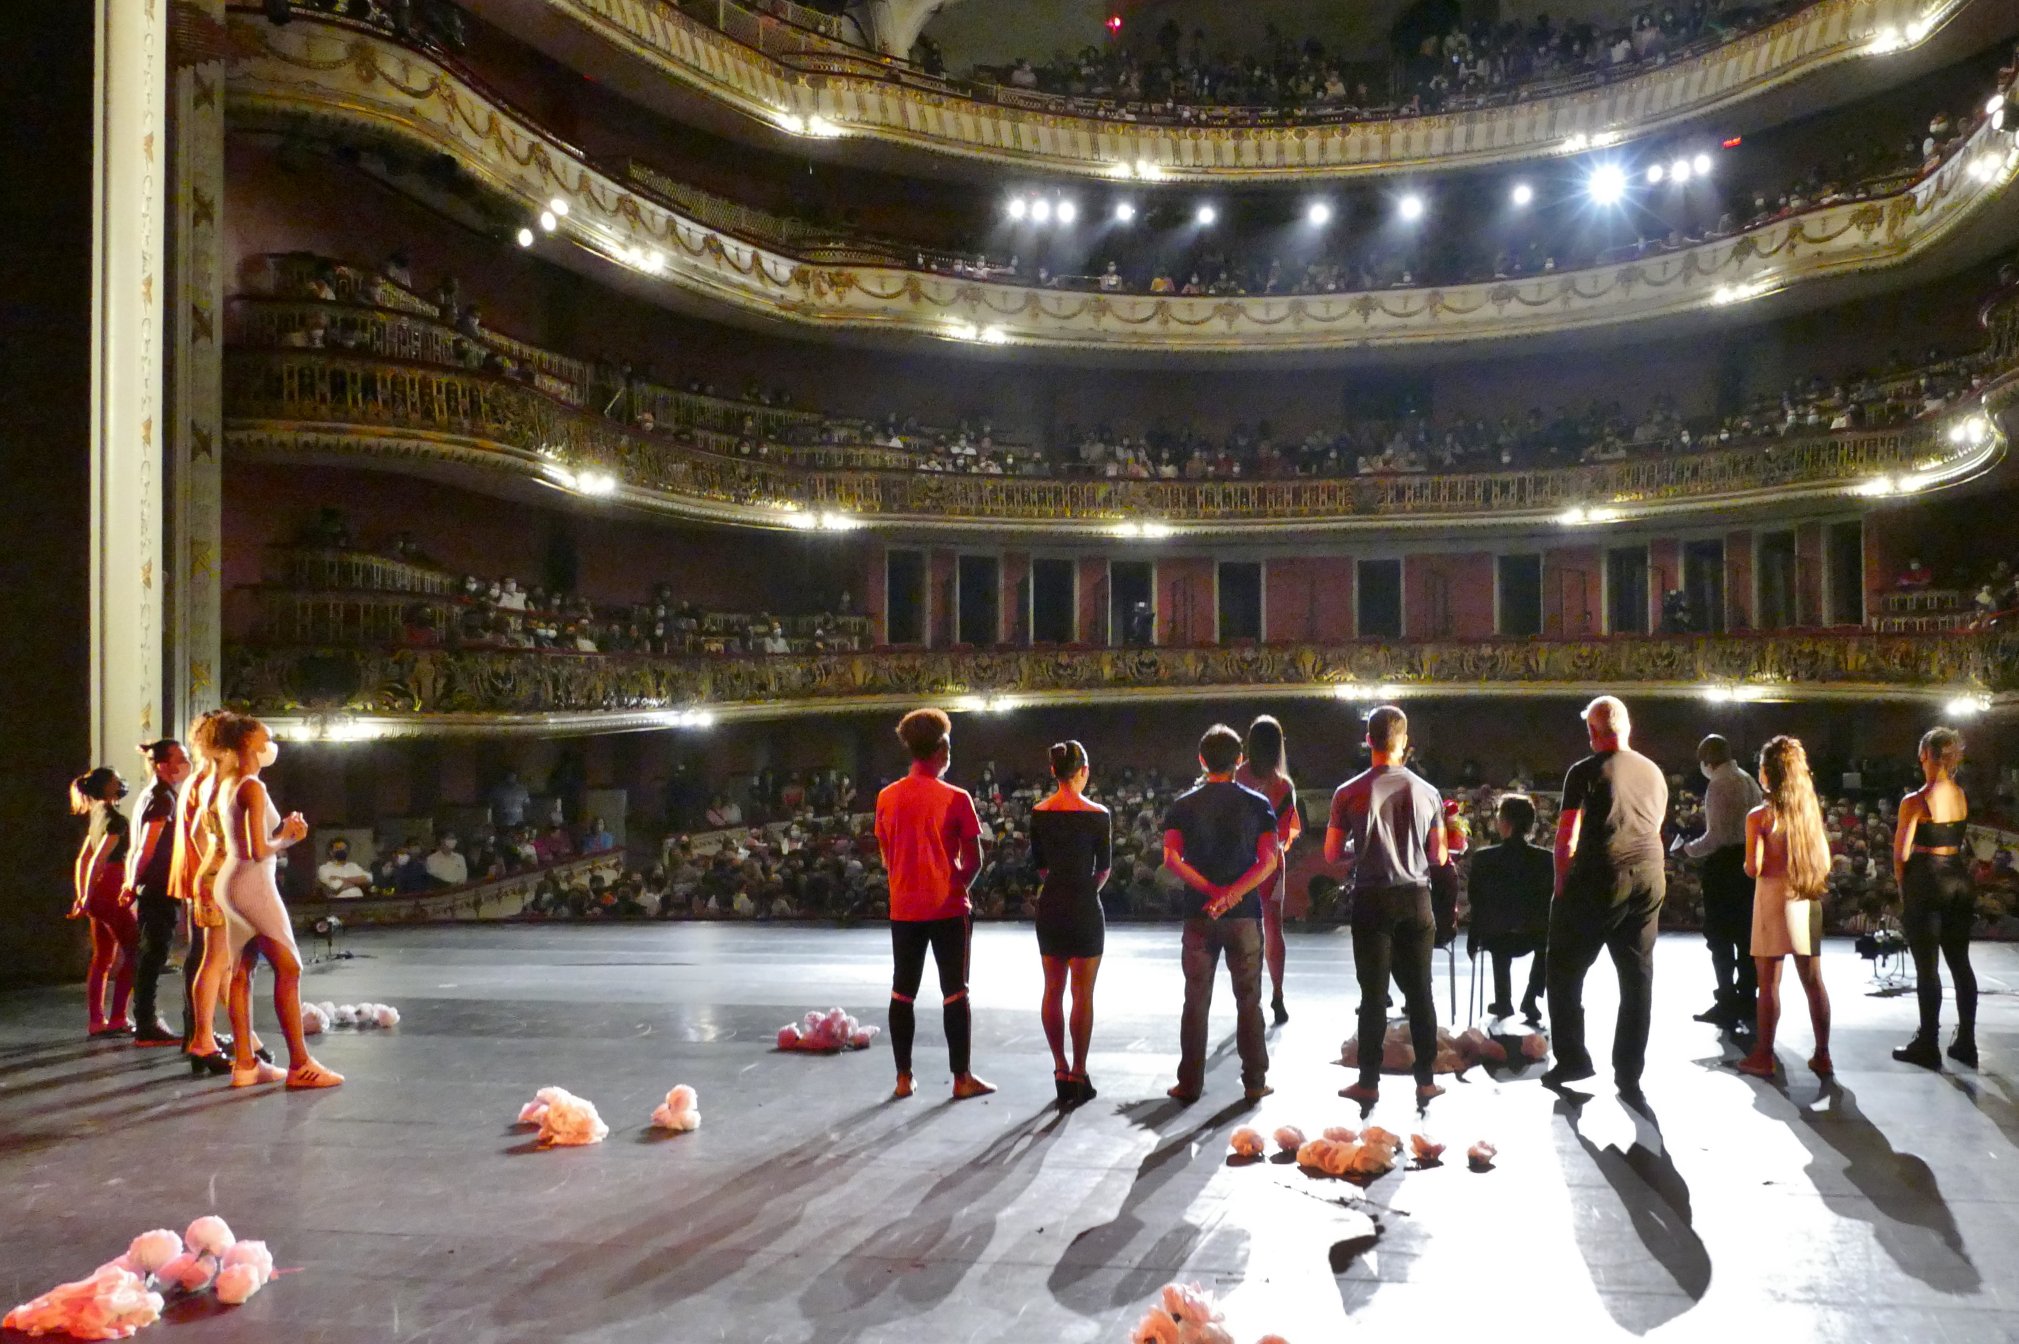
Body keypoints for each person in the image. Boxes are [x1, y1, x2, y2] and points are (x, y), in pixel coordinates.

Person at [1545, 695, 1669, 1097]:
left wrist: (1561, 887)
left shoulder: (1584, 771)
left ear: (1591, 731)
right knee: (1637, 976)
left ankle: (1573, 1059)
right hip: (1650, 875)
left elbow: (1566, 837)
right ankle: (1629, 1071)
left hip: (1601, 876)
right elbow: (1654, 827)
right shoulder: (1654, 772)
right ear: (1628, 727)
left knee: (1563, 968)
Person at [1326, 705, 1449, 1106]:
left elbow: (1331, 853)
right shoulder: (1428, 792)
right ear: (1405, 743)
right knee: (1421, 993)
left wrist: (1359, 848)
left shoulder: (1347, 792)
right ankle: (1425, 1080)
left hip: (1372, 898)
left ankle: (1368, 1081)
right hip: (1416, 898)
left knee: (1374, 995)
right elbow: (1439, 855)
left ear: (1368, 741)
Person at [210, 715, 342, 1089]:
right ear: (248, 742)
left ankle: (246, 1064)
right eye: (266, 737)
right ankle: (301, 1064)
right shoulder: (251, 786)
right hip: (253, 882)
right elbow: (258, 849)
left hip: (230, 882)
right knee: (290, 967)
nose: (271, 744)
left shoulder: (228, 783)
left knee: (242, 970)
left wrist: (280, 833)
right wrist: (289, 836)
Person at [873, 708, 994, 1101]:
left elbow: (886, 855)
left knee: (902, 992)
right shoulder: (956, 798)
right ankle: (962, 1078)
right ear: (941, 750)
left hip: (904, 908)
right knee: (955, 992)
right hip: (948, 910)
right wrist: (955, 886)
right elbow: (974, 860)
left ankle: (903, 1078)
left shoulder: (886, 797)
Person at [1163, 723, 1281, 1104]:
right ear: (1239, 759)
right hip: (1243, 916)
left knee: (1195, 1000)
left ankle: (1189, 1083)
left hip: (1199, 915)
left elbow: (1172, 859)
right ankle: (1254, 1081)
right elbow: (1268, 861)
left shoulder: (1182, 805)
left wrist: (1211, 892)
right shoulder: (1258, 804)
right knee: (1249, 999)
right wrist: (1232, 895)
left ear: (1201, 760)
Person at [1734, 736, 1834, 1077]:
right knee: (1814, 981)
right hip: (1806, 896)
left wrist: (1748, 861)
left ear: (1767, 772)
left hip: (1773, 899)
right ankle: (1823, 1054)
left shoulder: (1760, 816)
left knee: (1769, 984)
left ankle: (1763, 1056)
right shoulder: (1809, 813)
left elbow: (1754, 868)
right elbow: (1823, 860)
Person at [1029, 740, 1111, 1108]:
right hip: (1084, 907)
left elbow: (1041, 867)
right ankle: (1079, 1071)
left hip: (1051, 906)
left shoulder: (1039, 813)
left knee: (1052, 989)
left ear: (1053, 771)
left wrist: (1060, 887)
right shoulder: (1098, 815)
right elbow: (1104, 869)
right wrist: (1084, 890)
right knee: (1082, 994)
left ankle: (1060, 1068)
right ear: (1084, 771)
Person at [1891, 726, 1978, 1068]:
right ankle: (1966, 1042)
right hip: (1959, 878)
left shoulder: (1915, 800)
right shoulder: (1960, 794)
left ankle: (1928, 1043)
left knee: (1927, 967)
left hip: (1927, 880)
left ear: (1925, 755)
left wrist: (1904, 888)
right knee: (1960, 963)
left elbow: (1901, 853)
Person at [1678, 734, 1764, 1031]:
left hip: (1725, 866)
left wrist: (1688, 849)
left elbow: (1716, 837)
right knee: (1746, 937)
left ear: (1707, 761)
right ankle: (1748, 1000)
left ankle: (1726, 1002)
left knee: (1720, 937)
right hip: (1748, 863)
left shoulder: (1718, 784)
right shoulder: (1748, 780)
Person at [1234, 716, 1300, 1025]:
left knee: (1243, 931)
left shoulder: (1235, 778)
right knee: (1274, 930)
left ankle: (1249, 996)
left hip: (1239, 865)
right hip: (1270, 864)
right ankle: (1278, 994)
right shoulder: (1283, 785)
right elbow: (1286, 834)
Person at [125, 739, 192, 1045]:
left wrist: (131, 881)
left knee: (151, 953)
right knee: (153, 954)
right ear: (163, 765)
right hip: (158, 887)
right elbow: (145, 847)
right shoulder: (162, 798)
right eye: (182, 758)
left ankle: (146, 1021)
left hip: (154, 885)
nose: (187, 763)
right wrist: (131, 883)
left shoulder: (152, 795)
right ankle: (146, 1023)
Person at [1465, 793, 1552, 1025]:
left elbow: (1476, 901)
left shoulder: (1484, 858)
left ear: (1506, 823)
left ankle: (1503, 1000)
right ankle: (1531, 998)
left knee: (1499, 930)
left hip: (1495, 936)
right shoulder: (1546, 859)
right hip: (1534, 935)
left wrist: (1474, 935)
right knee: (1546, 943)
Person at [70, 767, 137, 1038]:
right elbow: (98, 859)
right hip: (111, 886)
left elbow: (83, 859)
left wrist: (83, 895)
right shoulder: (116, 820)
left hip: (98, 891)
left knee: (102, 956)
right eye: (116, 780)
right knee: (134, 950)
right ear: (108, 787)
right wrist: (86, 895)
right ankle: (119, 1017)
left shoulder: (96, 815)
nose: (120, 783)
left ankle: (97, 1020)